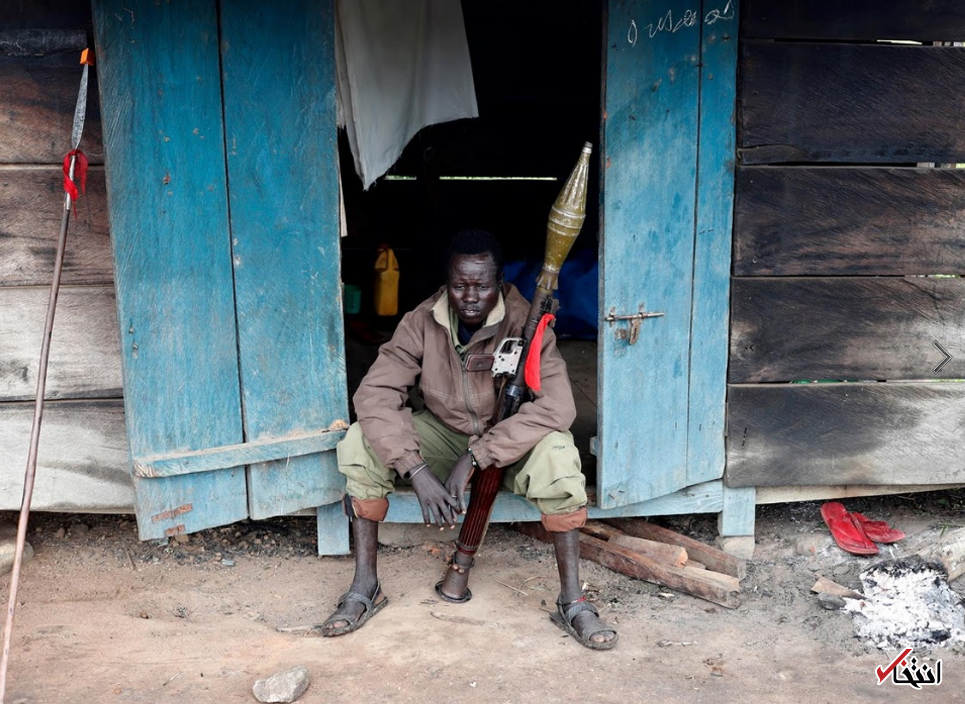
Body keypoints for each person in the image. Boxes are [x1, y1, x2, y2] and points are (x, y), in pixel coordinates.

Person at [320, 229, 617, 649]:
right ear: (447, 283)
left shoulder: (526, 322)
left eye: (481, 285)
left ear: (499, 281)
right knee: (359, 442)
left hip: (509, 443)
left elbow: (558, 408)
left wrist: (479, 455)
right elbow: (375, 394)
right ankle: (365, 586)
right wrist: (415, 468)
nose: (470, 296)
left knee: (557, 456)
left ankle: (572, 601)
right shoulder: (422, 321)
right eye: (460, 286)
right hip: (444, 435)